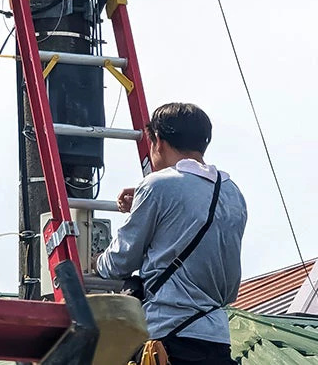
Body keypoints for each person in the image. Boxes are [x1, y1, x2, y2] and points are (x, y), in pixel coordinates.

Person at [95, 102, 247, 365]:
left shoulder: (157, 186)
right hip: (217, 338)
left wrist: (97, 260)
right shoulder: (233, 193)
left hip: (168, 337)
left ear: (158, 142)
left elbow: (119, 263)